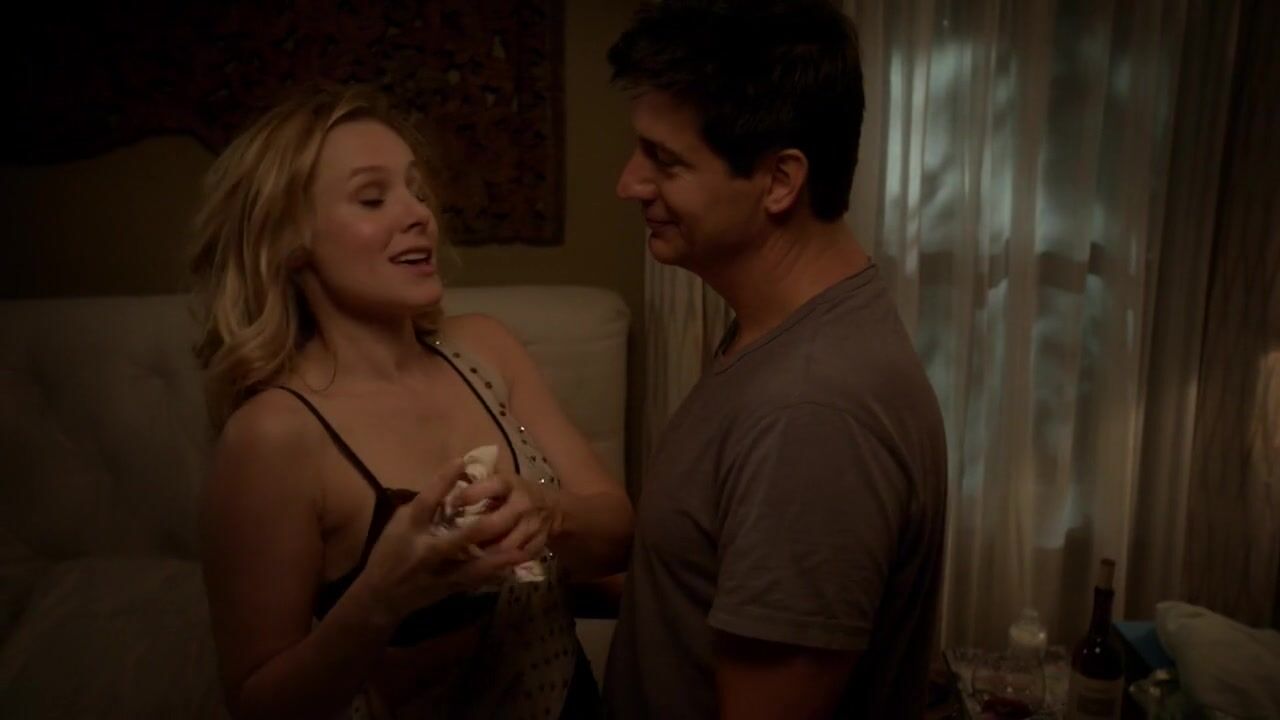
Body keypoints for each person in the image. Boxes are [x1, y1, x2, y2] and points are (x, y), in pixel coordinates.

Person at [192, 83, 632, 719]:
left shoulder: (486, 349)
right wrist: (382, 597)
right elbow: (258, 705)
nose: (419, 213)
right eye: (373, 198)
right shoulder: (272, 435)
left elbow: (618, 534)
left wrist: (547, 512)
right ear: (289, 241)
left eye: (418, 191)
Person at [603, 2, 948, 718]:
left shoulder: (811, 414)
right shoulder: (777, 338)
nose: (628, 184)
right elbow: (707, 587)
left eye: (666, 160)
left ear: (780, 181)